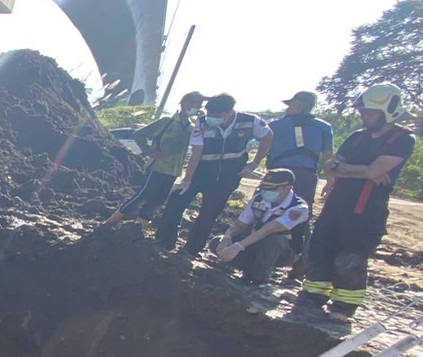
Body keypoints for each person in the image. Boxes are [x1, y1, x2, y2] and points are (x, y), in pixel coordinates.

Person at [298, 83, 417, 321]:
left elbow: (374, 170)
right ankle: (313, 298)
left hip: (366, 210)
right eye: (363, 112)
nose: (364, 117)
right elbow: (330, 167)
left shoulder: (402, 139)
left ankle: (343, 307)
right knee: (320, 249)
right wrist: (363, 170)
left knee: (350, 258)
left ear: (388, 112)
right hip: (337, 205)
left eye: (370, 112)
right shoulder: (356, 138)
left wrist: (347, 169)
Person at [154, 93, 274, 258]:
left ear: (229, 113)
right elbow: (197, 152)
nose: (211, 118)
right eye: (209, 114)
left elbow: (267, 136)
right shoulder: (202, 123)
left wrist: (254, 163)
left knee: (209, 213)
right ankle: (164, 242)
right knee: (176, 200)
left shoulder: (249, 121)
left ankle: (192, 250)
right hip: (203, 170)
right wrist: (187, 179)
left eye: (216, 116)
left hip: (229, 175)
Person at [103, 91, 205, 225]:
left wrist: (201, 122)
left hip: (174, 169)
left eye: (200, 105)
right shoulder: (167, 122)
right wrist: (149, 151)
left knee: (159, 200)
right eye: (196, 104)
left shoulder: (192, 128)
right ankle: (112, 221)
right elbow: (139, 134)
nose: (198, 108)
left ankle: (139, 226)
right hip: (158, 166)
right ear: (186, 103)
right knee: (144, 195)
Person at [261, 90, 334, 271]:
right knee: (302, 216)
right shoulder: (324, 127)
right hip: (307, 176)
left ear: (300, 104)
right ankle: (300, 264)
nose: (287, 108)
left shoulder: (275, 126)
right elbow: (328, 157)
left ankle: (262, 260)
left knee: (266, 210)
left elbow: (263, 147)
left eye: (291, 104)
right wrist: (330, 178)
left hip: (278, 176)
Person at [213, 170, 310, 284]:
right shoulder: (258, 198)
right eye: (264, 187)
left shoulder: (298, 208)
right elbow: (240, 225)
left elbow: (268, 230)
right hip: (255, 244)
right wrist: (227, 237)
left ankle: (260, 279)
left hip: (282, 251)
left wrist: (238, 246)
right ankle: (249, 270)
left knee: (271, 241)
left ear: (287, 188)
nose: (266, 191)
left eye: (271, 189)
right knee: (216, 243)